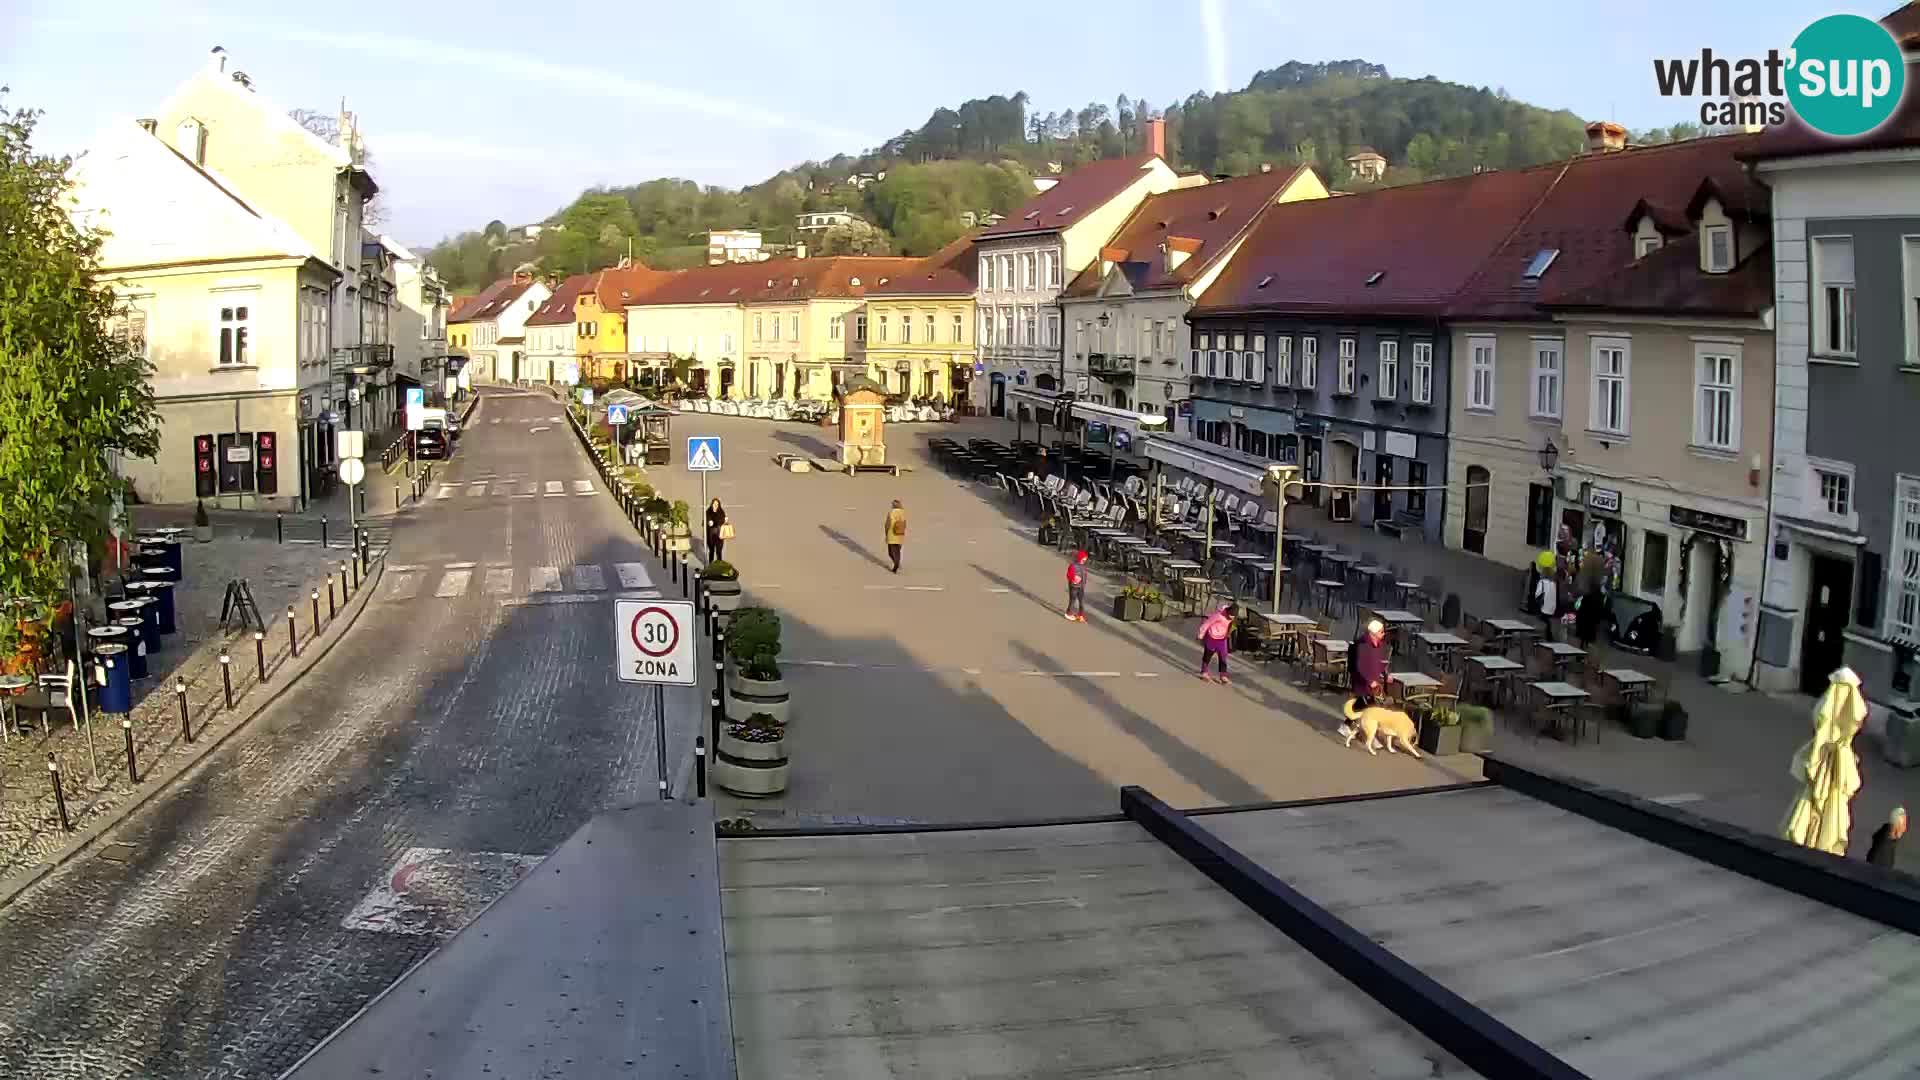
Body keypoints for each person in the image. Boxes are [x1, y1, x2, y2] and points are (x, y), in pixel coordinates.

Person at [1780, 667, 1867, 856]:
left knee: (1815, 807)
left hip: (1825, 761)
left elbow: (1823, 718)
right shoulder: (1838, 748)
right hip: (1829, 762)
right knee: (1828, 815)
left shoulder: (1829, 739)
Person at [1349, 618, 1391, 707]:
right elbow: (1360, 667)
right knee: (1364, 707)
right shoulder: (1363, 646)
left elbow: (1378, 662)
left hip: (1372, 682)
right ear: (1374, 633)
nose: (1384, 634)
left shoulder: (1377, 644)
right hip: (1363, 684)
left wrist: (1386, 673)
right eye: (1381, 632)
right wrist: (1369, 681)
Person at [1197, 603, 1234, 683]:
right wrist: (1200, 635)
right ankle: (1204, 672)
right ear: (1228, 612)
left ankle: (1223, 675)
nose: (1232, 617)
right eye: (1230, 615)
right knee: (1208, 655)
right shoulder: (1218, 615)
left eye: (1233, 616)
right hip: (1212, 637)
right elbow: (1207, 624)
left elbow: (1230, 625)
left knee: (1223, 657)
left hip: (1222, 639)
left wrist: (1228, 634)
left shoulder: (1232, 617)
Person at [1534, 564, 1558, 643]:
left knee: (1542, 619)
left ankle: (1544, 635)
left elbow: (1537, 594)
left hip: (1544, 607)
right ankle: (1548, 634)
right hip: (1552, 608)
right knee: (1546, 620)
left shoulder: (1542, 582)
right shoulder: (1553, 583)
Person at [883, 499, 907, 573]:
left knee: (891, 552)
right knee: (897, 550)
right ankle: (897, 563)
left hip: (892, 534)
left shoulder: (891, 512)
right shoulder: (903, 512)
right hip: (900, 534)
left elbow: (887, 524)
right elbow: (905, 523)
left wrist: (886, 533)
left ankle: (896, 564)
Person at [1064, 550, 1089, 622]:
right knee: (1073, 600)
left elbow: (1084, 576)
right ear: (1079, 558)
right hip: (1074, 587)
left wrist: (1084, 583)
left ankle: (1081, 615)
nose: (1084, 561)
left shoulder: (1083, 567)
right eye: (1083, 559)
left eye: (1085, 559)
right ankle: (1068, 613)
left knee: (1082, 601)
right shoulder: (1073, 566)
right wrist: (1073, 578)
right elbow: (1069, 575)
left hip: (1081, 586)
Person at [705, 498, 730, 562]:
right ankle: (711, 564)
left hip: (719, 534)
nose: (715, 505)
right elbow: (707, 520)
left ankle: (719, 564)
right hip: (711, 534)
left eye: (717, 504)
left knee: (719, 551)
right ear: (712, 504)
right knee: (711, 551)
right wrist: (709, 522)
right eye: (714, 504)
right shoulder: (708, 511)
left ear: (719, 505)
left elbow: (723, 520)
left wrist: (725, 520)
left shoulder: (721, 511)